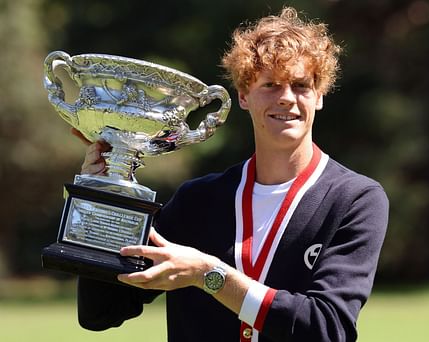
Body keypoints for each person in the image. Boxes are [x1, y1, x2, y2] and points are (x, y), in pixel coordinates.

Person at [76, 7, 389, 342]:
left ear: (319, 95)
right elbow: (100, 312)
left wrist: (208, 275)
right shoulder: (197, 201)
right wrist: (104, 197)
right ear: (243, 95)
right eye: (270, 84)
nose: (286, 98)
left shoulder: (354, 199)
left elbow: (328, 329)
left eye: (300, 85)